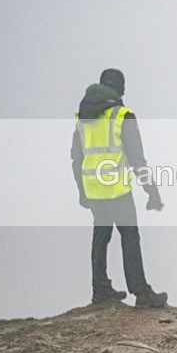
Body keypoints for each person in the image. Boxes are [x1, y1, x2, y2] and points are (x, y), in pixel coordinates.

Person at [71, 68, 168, 309]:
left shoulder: (83, 117)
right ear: (121, 88)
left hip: (94, 188)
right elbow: (137, 159)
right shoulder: (122, 115)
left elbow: (77, 157)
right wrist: (152, 193)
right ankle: (141, 291)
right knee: (130, 237)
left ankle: (100, 288)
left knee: (101, 237)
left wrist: (82, 192)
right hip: (117, 189)